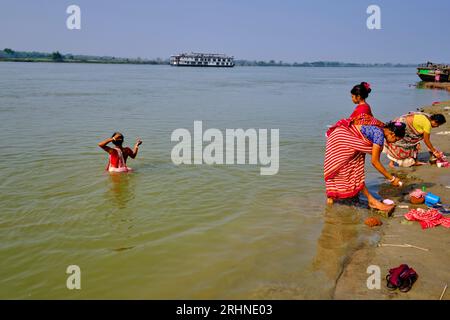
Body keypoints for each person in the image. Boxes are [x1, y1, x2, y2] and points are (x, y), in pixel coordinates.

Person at [324, 119, 406, 213]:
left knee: (344, 168)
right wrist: (392, 178)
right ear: (392, 134)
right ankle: (372, 201)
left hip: (339, 135)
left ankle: (330, 201)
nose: (394, 142)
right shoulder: (379, 135)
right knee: (352, 169)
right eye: (396, 139)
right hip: (342, 140)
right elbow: (375, 162)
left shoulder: (380, 128)